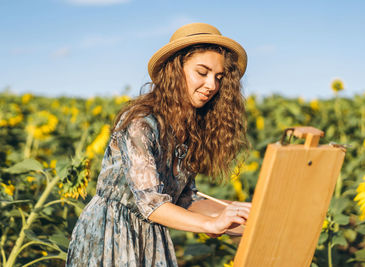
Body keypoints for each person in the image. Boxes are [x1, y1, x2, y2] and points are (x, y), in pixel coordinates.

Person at [66, 22, 251, 267]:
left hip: (152, 237)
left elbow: (184, 202)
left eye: (218, 77)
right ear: (176, 69)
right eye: (202, 72)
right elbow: (152, 204)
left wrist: (238, 213)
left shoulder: (190, 129)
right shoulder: (141, 123)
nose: (212, 86)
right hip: (110, 236)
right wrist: (210, 223)